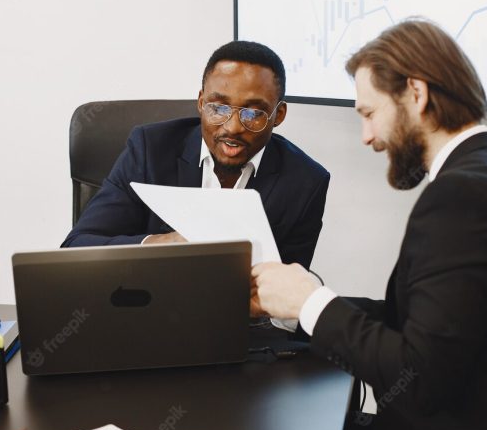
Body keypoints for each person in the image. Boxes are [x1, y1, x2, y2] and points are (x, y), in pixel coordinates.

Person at [251, 20, 487, 430]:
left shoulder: (464, 198)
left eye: (368, 114)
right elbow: (426, 325)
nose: (366, 137)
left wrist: (312, 303)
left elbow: (421, 377)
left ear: (416, 93)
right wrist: (294, 307)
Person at [62, 41, 330, 271]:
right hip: (148, 309)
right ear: (201, 102)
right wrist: (162, 244)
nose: (233, 127)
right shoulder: (150, 149)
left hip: (242, 321)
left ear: (278, 115)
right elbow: (77, 248)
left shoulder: (305, 181)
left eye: (253, 113)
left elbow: (291, 295)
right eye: (218, 107)